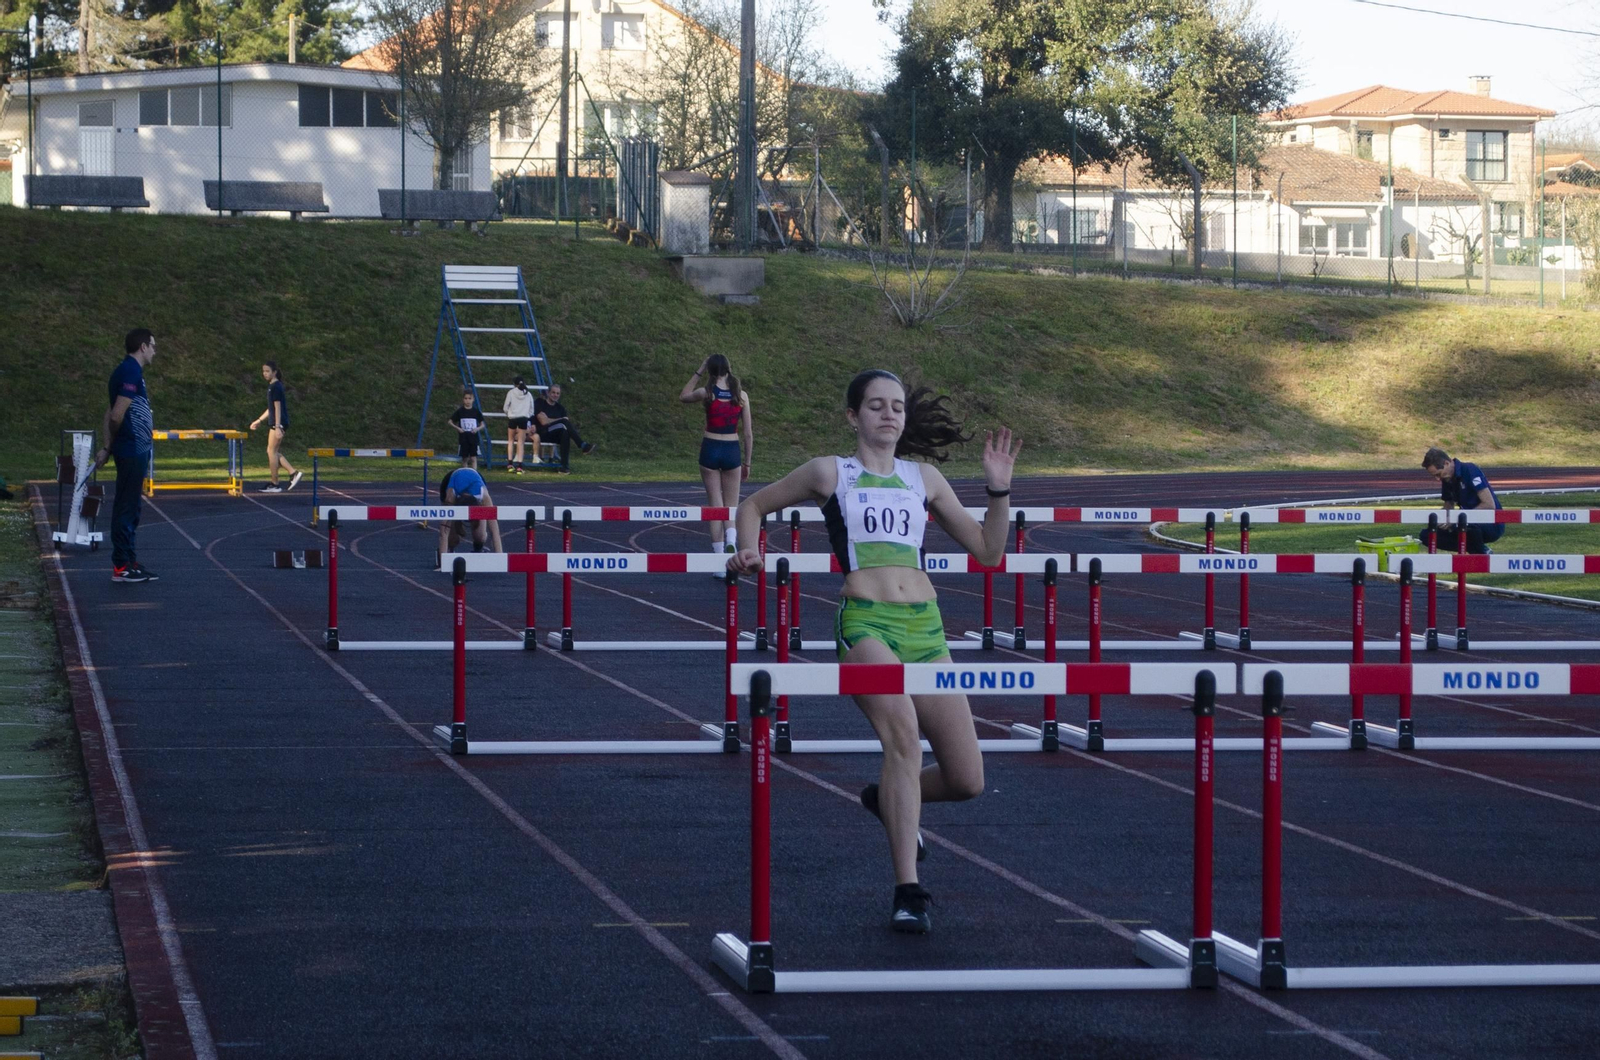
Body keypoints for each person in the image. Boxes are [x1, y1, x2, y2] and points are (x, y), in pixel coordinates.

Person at [729, 369, 1020, 934]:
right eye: (876, 406)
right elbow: (752, 506)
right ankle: (908, 890)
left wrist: (999, 490)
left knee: (967, 779)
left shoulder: (924, 478)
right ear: (853, 416)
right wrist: (746, 551)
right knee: (903, 738)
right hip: (867, 625)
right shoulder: (829, 472)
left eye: (896, 407)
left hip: (927, 630)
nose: (889, 414)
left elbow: (989, 551)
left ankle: (886, 798)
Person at [92, 329, 158, 583]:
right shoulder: (130, 371)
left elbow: (108, 411)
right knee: (126, 508)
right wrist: (113, 444)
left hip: (134, 448)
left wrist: (107, 446)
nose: (154, 350)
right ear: (142, 347)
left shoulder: (129, 371)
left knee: (132, 507)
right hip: (131, 449)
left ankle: (129, 560)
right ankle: (121, 566)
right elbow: (117, 415)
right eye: (152, 345)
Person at [679, 354, 754, 557]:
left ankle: (718, 558)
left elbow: (684, 395)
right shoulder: (741, 395)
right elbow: (747, 433)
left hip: (710, 448)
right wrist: (747, 462)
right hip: (731, 450)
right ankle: (731, 539)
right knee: (731, 504)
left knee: (715, 505)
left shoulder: (707, 392)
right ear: (729, 369)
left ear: (710, 370)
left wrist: (699, 370)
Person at [1421, 447, 1505, 555]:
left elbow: (1489, 504)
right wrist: (1438, 520)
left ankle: (1479, 549)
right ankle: (1477, 548)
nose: (1438, 479)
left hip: (1490, 524)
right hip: (1464, 522)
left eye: (1438, 474)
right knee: (1427, 535)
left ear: (1447, 463)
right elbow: (1448, 506)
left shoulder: (1470, 470)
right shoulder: (1446, 478)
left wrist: (1455, 519)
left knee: (1466, 526)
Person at [249, 361, 302, 493]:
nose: (265, 374)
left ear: (274, 372)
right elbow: (270, 408)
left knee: (271, 452)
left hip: (279, 422)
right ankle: (292, 473)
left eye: (267, 371)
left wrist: (278, 426)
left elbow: (277, 408)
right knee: (273, 451)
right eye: (263, 371)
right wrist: (259, 420)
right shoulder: (272, 386)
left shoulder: (276, 387)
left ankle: (275, 483)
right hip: (276, 421)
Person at [436, 466, 504, 555]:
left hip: (475, 478)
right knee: (452, 539)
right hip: (450, 480)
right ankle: (450, 548)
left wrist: (500, 561)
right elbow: (443, 532)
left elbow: (495, 532)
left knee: (480, 536)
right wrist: (443, 563)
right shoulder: (450, 497)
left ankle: (478, 548)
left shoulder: (483, 497)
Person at [534, 383, 596, 475]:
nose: (555, 395)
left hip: (555, 435)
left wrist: (549, 419)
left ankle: (564, 467)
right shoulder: (540, 403)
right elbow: (543, 422)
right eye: (553, 392)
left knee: (565, 433)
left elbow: (549, 420)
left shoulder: (561, 409)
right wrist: (560, 420)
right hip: (542, 433)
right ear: (548, 392)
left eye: (558, 393)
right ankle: (582, 445)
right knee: (564, 422)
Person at [502, 378, 534, 472]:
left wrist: (509, 414)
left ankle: (510, 463)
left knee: (511, 440)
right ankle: (520, 465)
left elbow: (505, 407)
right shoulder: (528, 393)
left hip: (513, 418)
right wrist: (527, 416)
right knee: (521, 442)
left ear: (514, 384)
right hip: (523, 419)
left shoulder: (511, 392)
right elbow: (532, 408)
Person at [449, 391, 484, 470]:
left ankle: (474, 473)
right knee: (465, 458)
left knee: (473, 458)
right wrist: (458, 428)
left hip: (473, 438)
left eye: (469, 398)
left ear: (473, 399)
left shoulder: (476, 412)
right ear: (463, 399)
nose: (468, 401)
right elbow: (450, 421)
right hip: (463, 438)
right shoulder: (460, 411)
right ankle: (465, 472)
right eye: (466, 398)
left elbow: (482, 424)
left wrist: (477, 429)